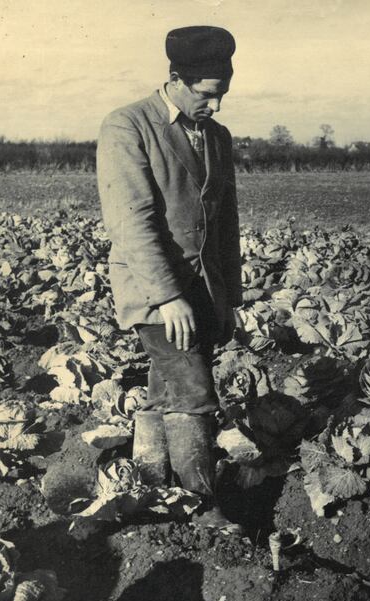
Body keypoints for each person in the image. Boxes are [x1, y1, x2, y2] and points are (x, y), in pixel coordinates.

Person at [97, 26, 242, 531]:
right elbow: (131, 222)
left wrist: (228, 298)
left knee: (166, 389)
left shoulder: (217, 138)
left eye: (222, 93)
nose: (216, 107)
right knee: (193, 392)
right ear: (175, 79)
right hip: (155, 291)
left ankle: (149, 485)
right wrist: (169, 297)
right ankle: (200, 511)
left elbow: (225, 224)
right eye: (207, 95)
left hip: (204, 291)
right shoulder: (129, 127)